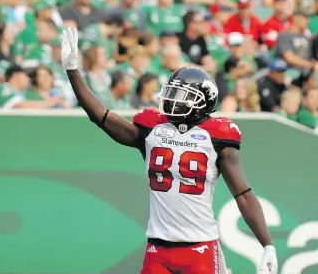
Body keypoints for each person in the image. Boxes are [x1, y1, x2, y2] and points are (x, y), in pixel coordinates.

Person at [59, 26, 278, 274]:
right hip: (157, 250)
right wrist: (72, 70)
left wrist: (267, 245)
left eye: (181, 94)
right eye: (172, 92)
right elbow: (99, 114)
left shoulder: (217, 137)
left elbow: (244, 194)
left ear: (201, 102)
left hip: (201, 249)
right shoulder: (152, 129)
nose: (172, 99)